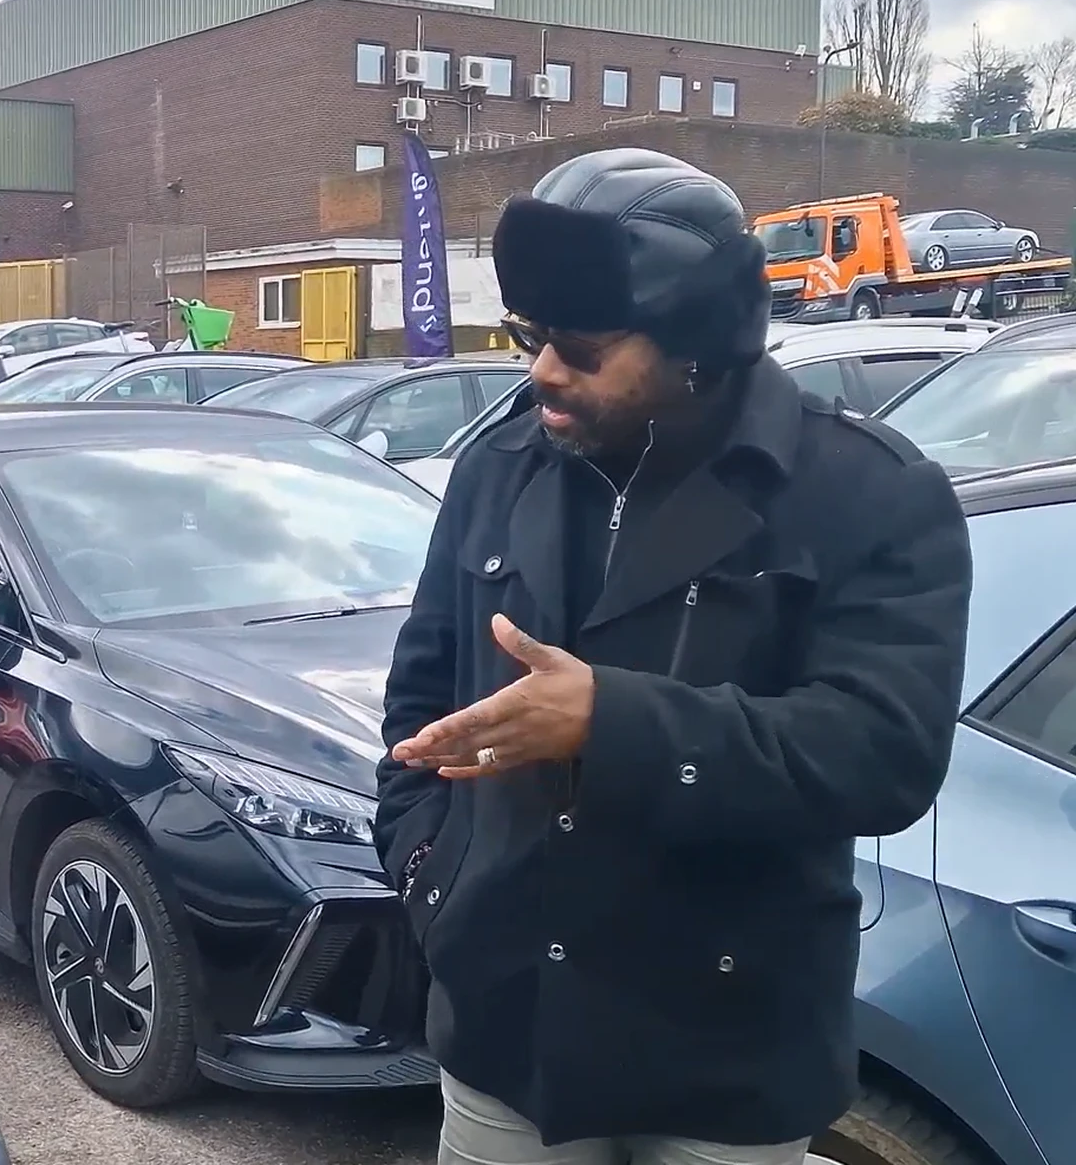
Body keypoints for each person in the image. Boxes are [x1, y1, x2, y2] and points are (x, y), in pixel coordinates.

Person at [373, 148, 973, 1165]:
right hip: (509, 1033)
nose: (542, 369)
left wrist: (613, 721)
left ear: (696, 339)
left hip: (727, 1054)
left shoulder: (868, 493)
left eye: (579, 344)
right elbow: (419, 699)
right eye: (528, 334)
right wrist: (435, 879)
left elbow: (886, 754)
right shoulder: (497, 466)